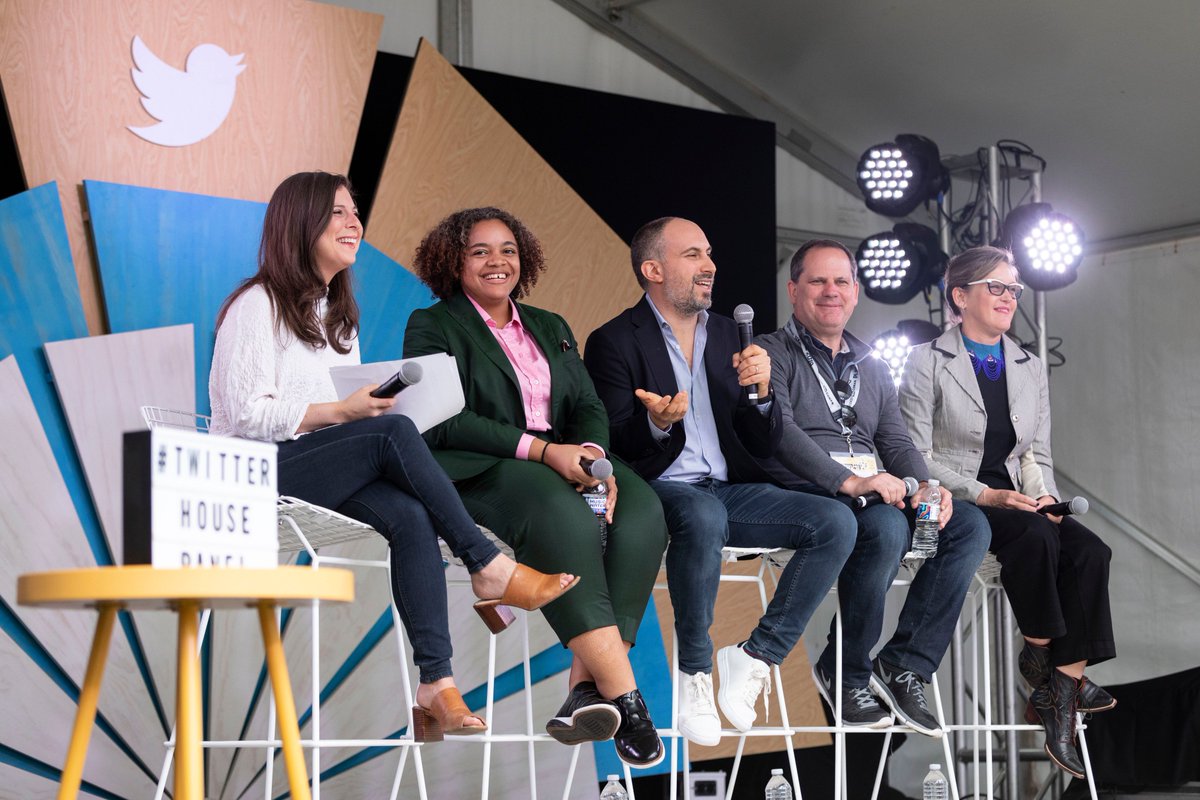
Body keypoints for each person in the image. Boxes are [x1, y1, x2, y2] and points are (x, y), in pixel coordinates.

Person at [209, 172, 578, 743]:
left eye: (356, 212)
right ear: (298, 221)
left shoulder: (336, 312)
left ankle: (435, 684)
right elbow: (248, 415)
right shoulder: (257, 306)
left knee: (409, 514)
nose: (354, 222)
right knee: (392, 433)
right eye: (338, 212)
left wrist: (359, 409)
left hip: (312, 465)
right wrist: (344, 413)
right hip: (254, 474)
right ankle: (487, 565)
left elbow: (338, 408)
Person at [403, 206, 669, 768]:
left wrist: (596, 460)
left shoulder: (550, 325)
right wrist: (546, 452)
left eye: (508, 250)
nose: (497, 262)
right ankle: (629, 700)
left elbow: (589, 405)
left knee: (642, 509)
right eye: (480, 251)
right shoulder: (432, 324)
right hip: (482, 463)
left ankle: (584, 691)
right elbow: (444, 420)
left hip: (566, 458)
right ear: (455, 261)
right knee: (563, 513)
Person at [584, 216, 856, 746]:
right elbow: (611, 443)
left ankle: (755, 656)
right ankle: (695, 673)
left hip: (730, 487)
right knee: (702, 514)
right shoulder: (614, 340)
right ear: (652, 269)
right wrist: (658, 423)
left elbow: (764, 439)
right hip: (658, 486)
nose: (709, 265)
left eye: (709, 253)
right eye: (692, 255)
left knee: (834, 520)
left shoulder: (735, 334)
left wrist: (761, 395)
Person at [753, 239, 991, 737]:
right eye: (817, 281)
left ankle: (905, 664)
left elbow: (896, 440)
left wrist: (926, 486)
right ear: (793, 289)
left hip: (869, 486)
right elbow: (780, 434)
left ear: (857, 293)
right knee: (884, 526)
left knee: (968, 524)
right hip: (811, 491)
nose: (830, 292)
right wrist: (851, 480)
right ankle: (846, 672)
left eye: (841, 281)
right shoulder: (770, 353)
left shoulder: (873, 364)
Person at [899, 245, 1116, 777]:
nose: (1008, 297)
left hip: (1018, 495)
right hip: (960, 499)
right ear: (960, 295)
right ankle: (1041, 661)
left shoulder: (1028, 364)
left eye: (1014, 288)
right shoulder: (927, 360)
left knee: (1091, 552)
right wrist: (986, 493)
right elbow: (915, 455)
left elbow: (1035, 453)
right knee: (1033, 537)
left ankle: (1055, 694)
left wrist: (1046, 495)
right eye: (996, 286)